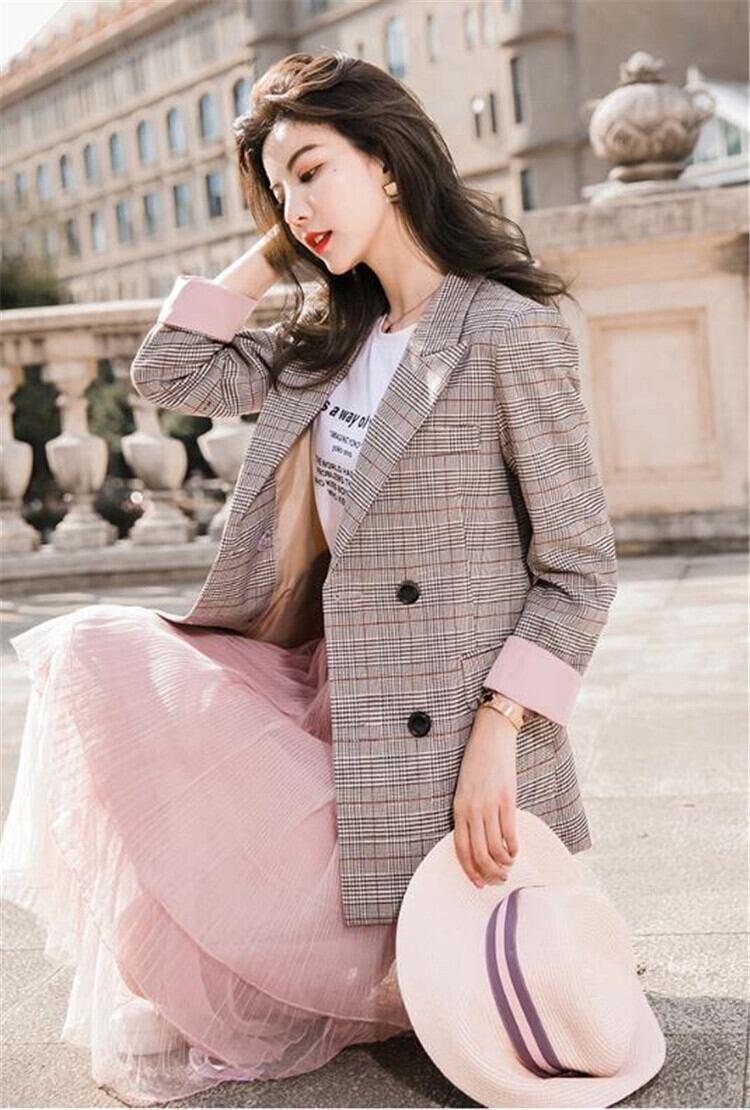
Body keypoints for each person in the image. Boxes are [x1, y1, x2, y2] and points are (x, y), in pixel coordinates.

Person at [0, 50, 618, 1106]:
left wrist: (499, 732)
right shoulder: (330, 339)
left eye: (313, 169)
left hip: (446, 731)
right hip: (331, 685)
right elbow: (170, 370)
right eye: (279, 187)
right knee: (97, 649)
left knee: (371, 956)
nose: (296, 204)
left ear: (387, 162)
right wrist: (280, 244)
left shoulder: (506, 332)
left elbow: (580, 568)